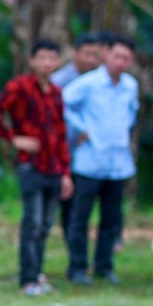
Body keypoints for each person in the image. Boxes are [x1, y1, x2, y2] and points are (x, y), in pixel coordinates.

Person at [0, 39, 74, 295]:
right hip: (30, 165)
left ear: (58, 62)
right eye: (42, 58)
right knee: (32, 223)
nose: (47, 63)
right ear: (32, 60)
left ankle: (38, 274)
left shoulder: (55, 92)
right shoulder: (20, 87)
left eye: (52, 58)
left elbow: (61, 134)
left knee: (45, 225)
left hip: (54, 166)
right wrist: (13, 138)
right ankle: (27, 280)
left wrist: (66, 172)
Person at [62, 36, 139, 285]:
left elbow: (130, 115)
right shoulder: (89, 83)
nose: (121, 62)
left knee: (111, 219)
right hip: (89, 161)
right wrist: (81, 128)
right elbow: (61, 101)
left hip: (118, 163)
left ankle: (104, 266)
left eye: (126, 58)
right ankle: (77, 266)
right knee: (80, 218)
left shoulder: (130, 85)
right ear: (106, 54)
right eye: (117, 56)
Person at [51, 32, 104, 239]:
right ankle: (70, 241)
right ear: (75, 53)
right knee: (68, 201)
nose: (91, 60)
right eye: (87, 54)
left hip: (93, 152)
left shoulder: (101, 80)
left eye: (95, 55)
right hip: (66, 151)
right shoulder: (60, 81)